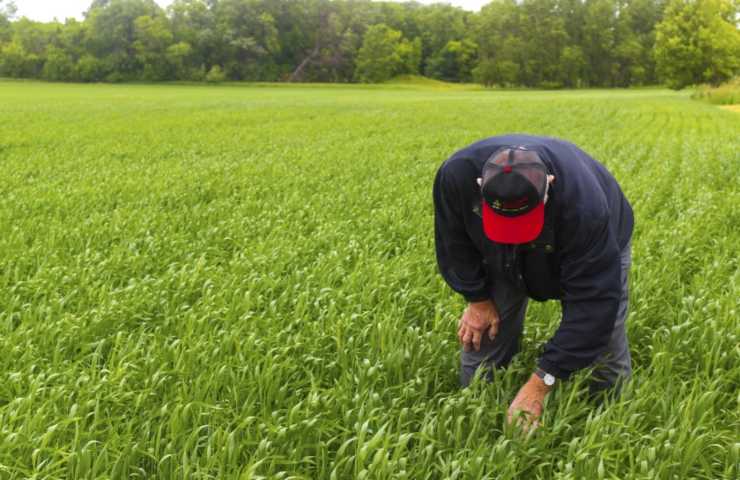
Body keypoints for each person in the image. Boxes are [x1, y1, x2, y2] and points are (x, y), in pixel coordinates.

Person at [433, 134, 634, 428]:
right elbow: (454, 243)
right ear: (480, 187)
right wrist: (477, 299)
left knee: (605, 343)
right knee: (485, 331)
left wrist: (541, 383)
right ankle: (475, 411)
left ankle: (611, 423)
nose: (517, 237)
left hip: (592, 242)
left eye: (522, 225)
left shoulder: (585, 210)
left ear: (549, 185)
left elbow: (593, 307)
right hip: (497, 253)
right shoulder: (457, 175)